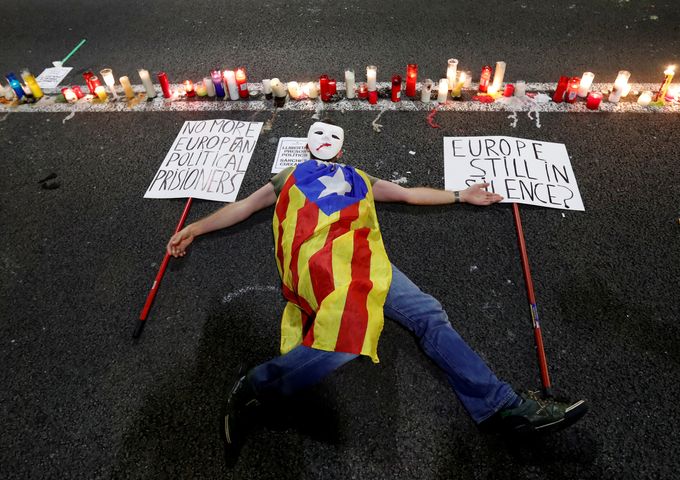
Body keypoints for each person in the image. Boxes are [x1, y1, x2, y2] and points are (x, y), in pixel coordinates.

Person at [167, 120, 588, 465]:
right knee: (346, 338)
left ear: (342, 148)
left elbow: (406, 194)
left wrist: (461, 195)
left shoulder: (359, 178)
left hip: (369, 263)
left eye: (334, 137)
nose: (326, 142)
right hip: (322, 261)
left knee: (428, 314)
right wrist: (196, 227)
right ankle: (259, 386)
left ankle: (501, 406)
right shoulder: (288, 176)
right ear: (308, 146)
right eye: (319, 136)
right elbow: (245, 205)